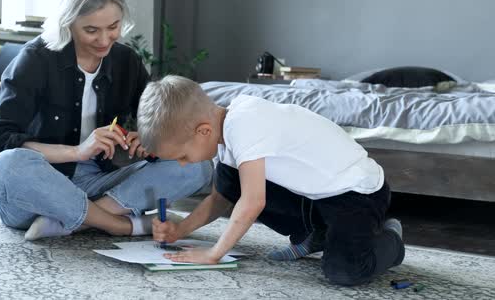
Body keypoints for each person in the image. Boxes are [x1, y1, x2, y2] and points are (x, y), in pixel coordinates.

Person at [0, 0, 212, 241]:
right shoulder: (36, 59)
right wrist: (78, 151)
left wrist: (149, 139)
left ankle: (73, 220)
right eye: (91, 30)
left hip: (101, 187)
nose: (104, 40)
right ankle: (121, 225)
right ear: (68, 22)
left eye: (113, 27)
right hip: (38, 191)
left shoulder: (126, 61)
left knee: (198, 165)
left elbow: (159, 123)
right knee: (8, 165)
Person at [136, 76, 405, 286]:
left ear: (203, 131)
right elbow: (219, 198)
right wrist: (179, 230)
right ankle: (315, 234)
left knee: (344, 272)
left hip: (356, 192)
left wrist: (213, 254)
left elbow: (253, 202)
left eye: (182, 156)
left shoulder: (245, 123)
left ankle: (391, 238)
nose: (184, 163)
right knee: (230, 182)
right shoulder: (222, 135)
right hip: (316, 197)